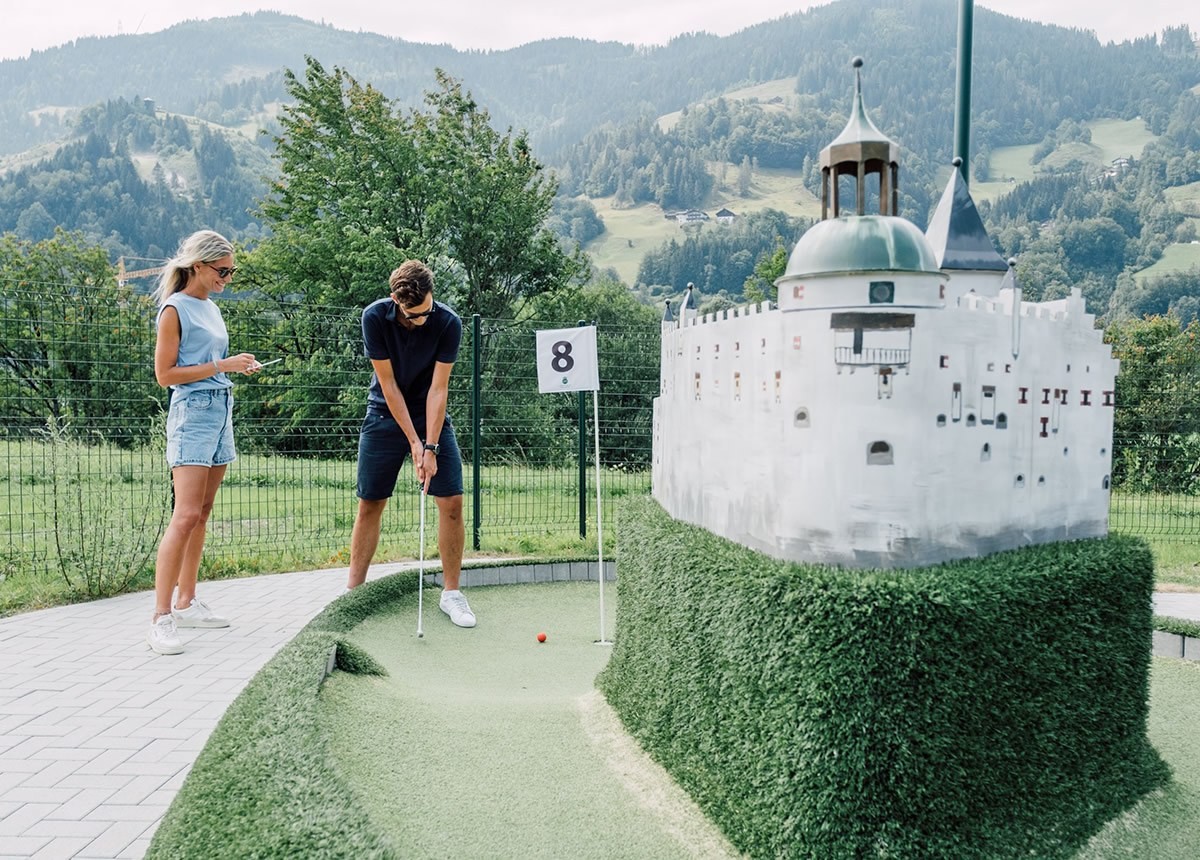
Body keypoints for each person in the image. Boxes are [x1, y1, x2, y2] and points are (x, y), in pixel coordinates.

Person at [147, 230, 262, 655]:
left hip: (220, 408)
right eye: (222, 271)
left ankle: (186, 602)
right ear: (198, 265)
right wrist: (222, 364)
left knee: (204, 513)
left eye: (231, 272)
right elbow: (166, 376)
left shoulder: (211, 308)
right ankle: (160, 618)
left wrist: (234, 367)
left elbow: (211, 365)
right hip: (192, 414)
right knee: (186, 513)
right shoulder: (173, 309)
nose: (227, 279)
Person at [347, 259, 474, 628]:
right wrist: (414, 444)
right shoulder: (374, 317)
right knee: (370, 502)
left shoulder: (448, 322)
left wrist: (430, 446)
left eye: (426, 310)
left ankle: (451, 594)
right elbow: (388, 386)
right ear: (395, 301)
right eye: (413, 314)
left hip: (430, 416)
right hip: (385, 414)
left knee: (451, 501)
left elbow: (439, 388)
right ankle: (354, 595)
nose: (422, 319)